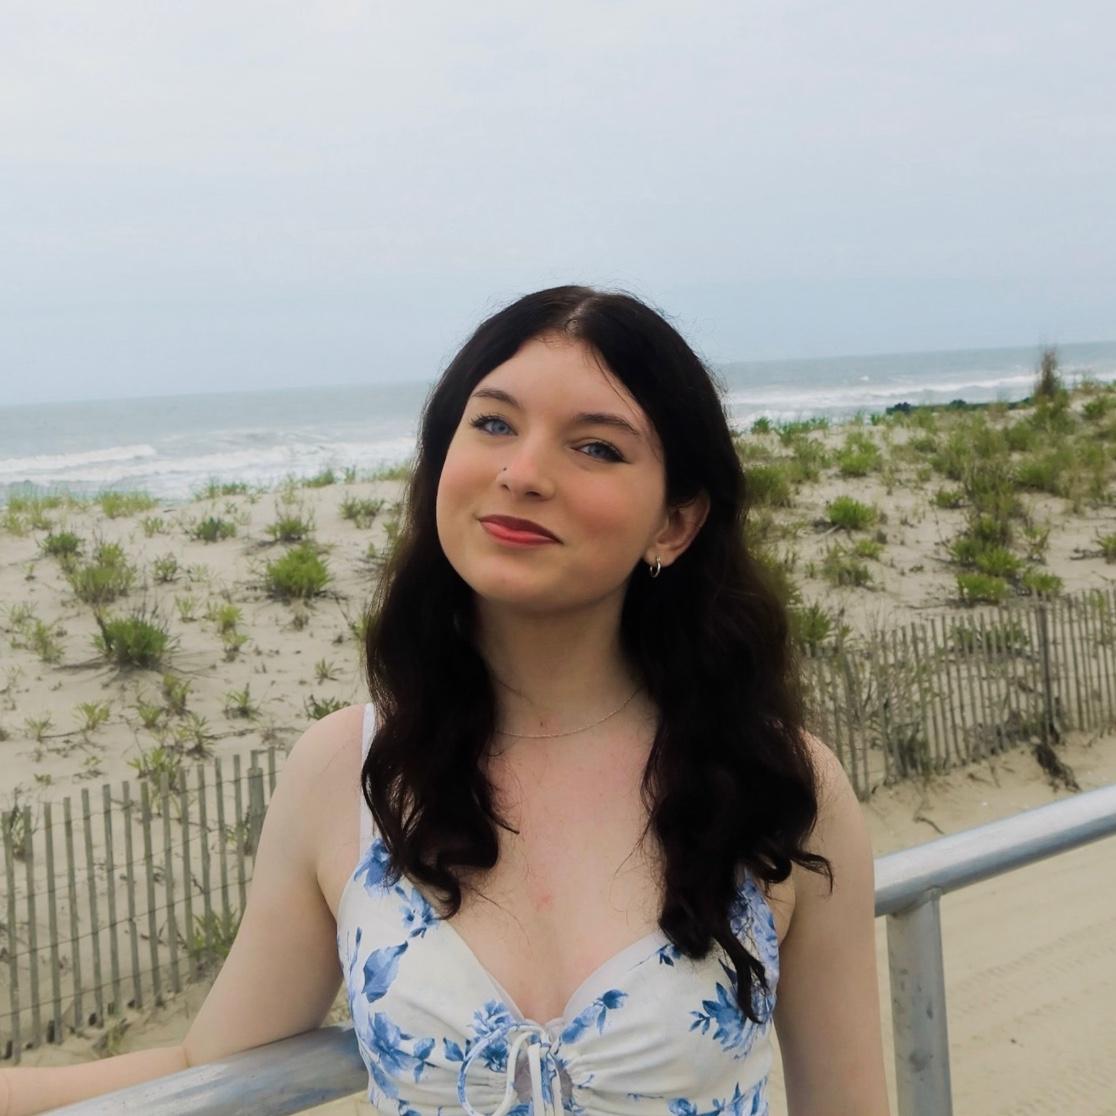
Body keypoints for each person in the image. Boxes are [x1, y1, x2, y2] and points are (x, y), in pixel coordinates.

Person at [0, 285, 890, 1115]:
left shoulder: (778, 785)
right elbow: (211, 1064)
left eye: (595, 446)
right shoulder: (348, 773)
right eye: (493, 423)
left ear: (676, 522)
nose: (523, 472)